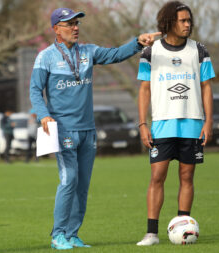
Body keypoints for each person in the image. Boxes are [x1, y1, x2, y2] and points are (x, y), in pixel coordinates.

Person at [29, 7, 160, 250]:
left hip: (88, 130)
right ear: (56, 29)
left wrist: (137, 42)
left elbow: (116, 54)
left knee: (82, 186)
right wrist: (44, 115)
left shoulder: (88, 52)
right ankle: (58, 235)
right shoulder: (45, 57)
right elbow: (35, 90)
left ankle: (72, 234)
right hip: (64, 131)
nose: (76, 28)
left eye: (77, 23)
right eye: (70, 24)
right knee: (69, 180)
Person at [136, 1, 215, 246]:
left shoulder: (199, 50)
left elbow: (206, 88)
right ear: (169, 22)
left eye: (189, 20)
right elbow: (144, 89)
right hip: (161, 124)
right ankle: (151, 233)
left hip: (192, 123)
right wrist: (142, 124)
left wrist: (208, 122)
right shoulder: (151, 51)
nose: (187, 25)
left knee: (187, 176)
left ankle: (183, 228)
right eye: (182, 20)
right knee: (157, 176)